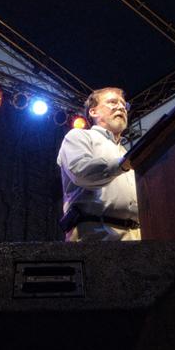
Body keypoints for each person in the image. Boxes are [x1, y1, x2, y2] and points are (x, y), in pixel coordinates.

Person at [57, 86, 141, 241]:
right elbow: (81, 172)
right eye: (113, 102)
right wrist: (122, 165)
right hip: (95, 234)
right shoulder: (78, 136)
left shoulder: (125, 152)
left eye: (124, 105)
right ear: (93, 112)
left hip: (136, 235)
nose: (121, 107)